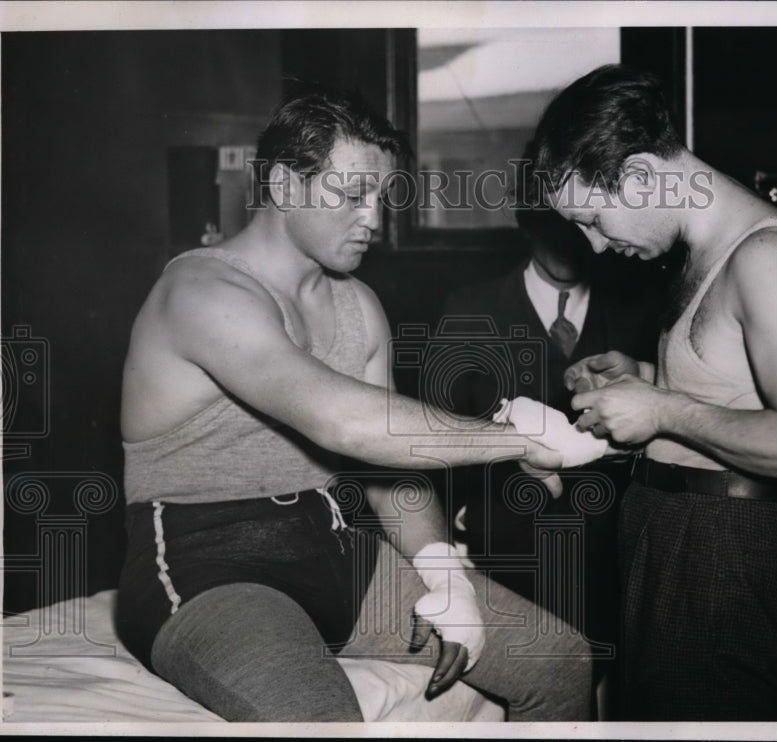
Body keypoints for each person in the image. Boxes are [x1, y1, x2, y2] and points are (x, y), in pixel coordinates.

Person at [115, 82, 593, 722]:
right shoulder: (202, 293)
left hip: (333, 550)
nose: (374, 218)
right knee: (322, 718)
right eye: (351, 195)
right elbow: (344, 422)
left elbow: (387, 466)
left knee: (560, 660)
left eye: (382, 196)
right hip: (210, 570)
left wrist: (443, 574)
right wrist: (524, 438)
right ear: (284, 186)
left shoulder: (357, 305)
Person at [528, 64, 777, 720]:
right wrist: (644, 379)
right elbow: (738, 393)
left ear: (643, 175)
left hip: (731, 559)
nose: (595, 244)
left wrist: (664, 408)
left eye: (593, 217)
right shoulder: (704, 253)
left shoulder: (768, 259)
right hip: (677, 543)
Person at [439, 142, 660, 708]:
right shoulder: (469, 311)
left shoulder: (639, 312)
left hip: (617, 553)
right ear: (523, 222)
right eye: (549, 225)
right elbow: (435, 441)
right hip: (507, 552)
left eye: (576, 225)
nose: (566, 242)